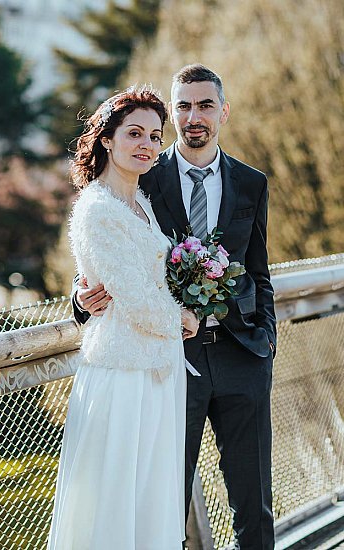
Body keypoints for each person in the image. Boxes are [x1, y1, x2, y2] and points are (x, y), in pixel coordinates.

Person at [73, 65, 277, 550]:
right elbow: (109, 248)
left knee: (254, 501)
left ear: (222, 112)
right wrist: (81, 301)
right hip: (167, 365)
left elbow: (259, 270)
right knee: (162, 500)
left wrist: (266, 340)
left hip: (241, 355)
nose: (194, 116)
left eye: (205, 105)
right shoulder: (142, 172)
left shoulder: (252, 183)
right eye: (183, 105)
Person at [48, 86, 199, 550]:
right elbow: (133, 297)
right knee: (115, 503)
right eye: (134, 133)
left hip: (157, 370)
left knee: (150, 500)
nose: (147, 146)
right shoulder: (97, 209)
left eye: (155, 136)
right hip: (122, 375)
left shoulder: (142, 205)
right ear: (107, 140)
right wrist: (184, 318)